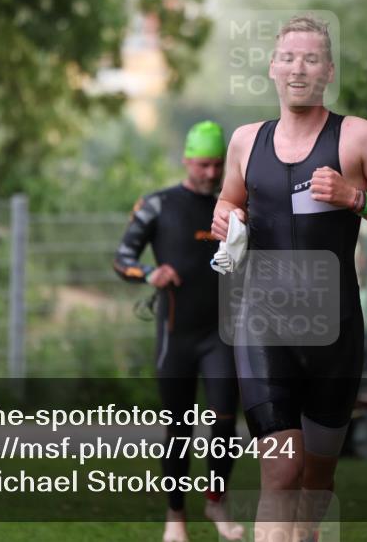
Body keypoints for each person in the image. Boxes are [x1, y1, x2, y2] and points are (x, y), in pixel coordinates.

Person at [211, 15, 367, 540]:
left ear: (328, 71)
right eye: (288, 58)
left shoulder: (358, 137)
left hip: (334, 330)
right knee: (281, 471)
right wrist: (224, 217)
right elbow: (228, 201)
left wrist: (356, 198)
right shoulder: (245, 141)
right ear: (272, 67)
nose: (298, 69)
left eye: (311, 59)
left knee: (316, 481)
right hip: (261, 324)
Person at [113, 121, 244, 542]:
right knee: (179, 430)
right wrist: (149, 272)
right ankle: (175, 518)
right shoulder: (158, 204)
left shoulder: (235, 207)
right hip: (177, 336)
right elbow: (122, 258)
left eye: (217, 165)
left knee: (225, 423)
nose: (211, 173)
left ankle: (216, 501)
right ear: (186, 160)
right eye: (203, 164)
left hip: (221, 335)